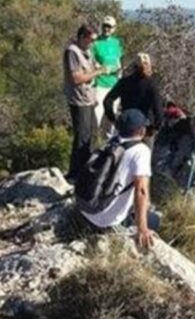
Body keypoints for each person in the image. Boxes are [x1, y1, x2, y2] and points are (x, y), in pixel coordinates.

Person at [79, 109, 157, 248]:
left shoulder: (110, 142)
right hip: (105, 219)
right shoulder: (141, 151)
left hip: (86, 206)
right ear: (141, 131)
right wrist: (142, 228)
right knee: (155, 220)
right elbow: (141, 190)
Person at [63, 23, 104, 183]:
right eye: (90, 39)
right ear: (81, 37)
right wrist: (98, 72)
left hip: (89, 98)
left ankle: (83, 170)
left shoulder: (87, 51)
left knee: (92, 135)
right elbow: (77, 78)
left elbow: (90, 70)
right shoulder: (72, 52)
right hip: (79, 99)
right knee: (82, 136)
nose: (92, 43)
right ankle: (76, 173)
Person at [104, 53, 164, 138]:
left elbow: (108, 101)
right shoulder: (151, 85)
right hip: (143, 128)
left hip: (126, 124)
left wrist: (113, 119)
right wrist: (154, 128)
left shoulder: (124, 82)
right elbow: (158, 110)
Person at [91, 15, 123, 136]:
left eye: (109, 27)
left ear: (114, 28)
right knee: (96, 116)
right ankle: (91, 146)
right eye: (104, 26)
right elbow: (92, 62)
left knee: (112, 116)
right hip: (100, 84)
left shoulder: (116, 43)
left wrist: (120, 76)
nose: (106, 29)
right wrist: (102, 69)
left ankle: (109, 146)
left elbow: (118, 61)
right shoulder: (95, 43)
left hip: (114, 84)